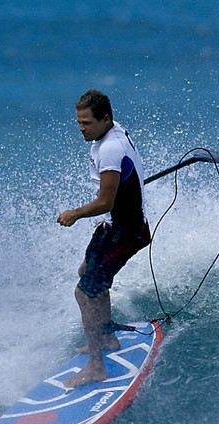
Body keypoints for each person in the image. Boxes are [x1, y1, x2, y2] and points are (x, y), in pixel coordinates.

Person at [55, 89, 151, 389]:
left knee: (85, 293)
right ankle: (108, 337)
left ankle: (96, 366)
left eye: (86, 123)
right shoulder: (113, 132)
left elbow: (105, 202)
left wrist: (75, 213)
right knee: (87, 274)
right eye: (78, 122)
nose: (81, 128)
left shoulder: (110, 149)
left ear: (105, 119)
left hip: (127, 231)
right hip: (114, 226)